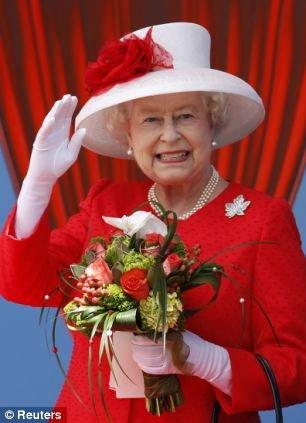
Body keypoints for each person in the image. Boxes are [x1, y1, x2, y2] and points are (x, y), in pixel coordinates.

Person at [1, 22, 305, 423]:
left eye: (186, 116)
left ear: (212, 123)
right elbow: (26, 286)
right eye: (150, 120)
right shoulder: (105, 202)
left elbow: (296, 368)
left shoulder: (263, 219)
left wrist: (208, 360)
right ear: (127, 133)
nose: (169, 136)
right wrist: (37, 187)